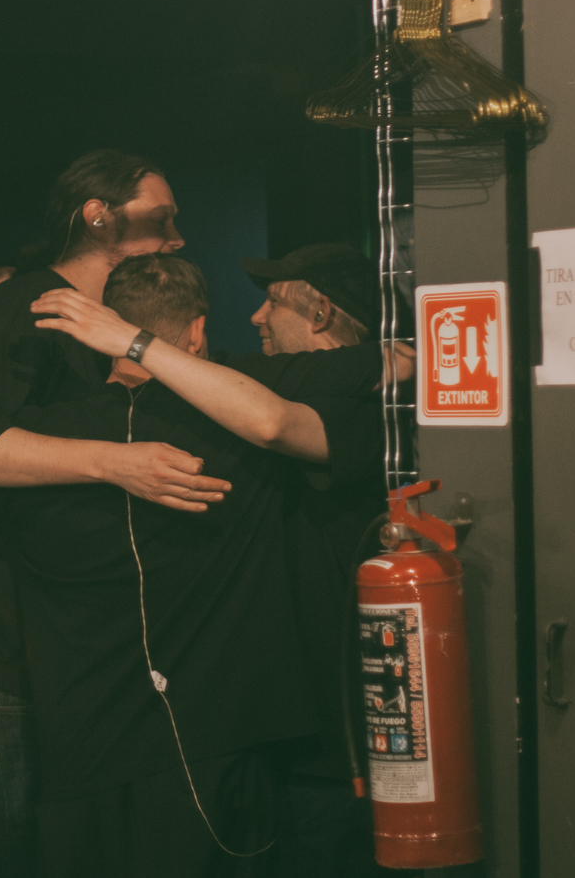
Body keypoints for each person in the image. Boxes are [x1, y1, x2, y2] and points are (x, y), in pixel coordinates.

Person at [0, 253, 381, 878]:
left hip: (78, 759)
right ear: (198, 333)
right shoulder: (236, 438)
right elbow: (277, 418)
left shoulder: (35, 443)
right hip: (216, 751)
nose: (255, 315)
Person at [0, 151, 223, 878]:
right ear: (99, 217)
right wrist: (116, 461)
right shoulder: (28, 306)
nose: (179, 236)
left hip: (34, 641)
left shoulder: (89, 328)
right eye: (162, 218)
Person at [233, 243, 395, 878]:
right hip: (297, 741)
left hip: (337, 753)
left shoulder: (363, 416)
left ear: (321, 312)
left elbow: (278, 424)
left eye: (272, 301)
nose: (256, 318)